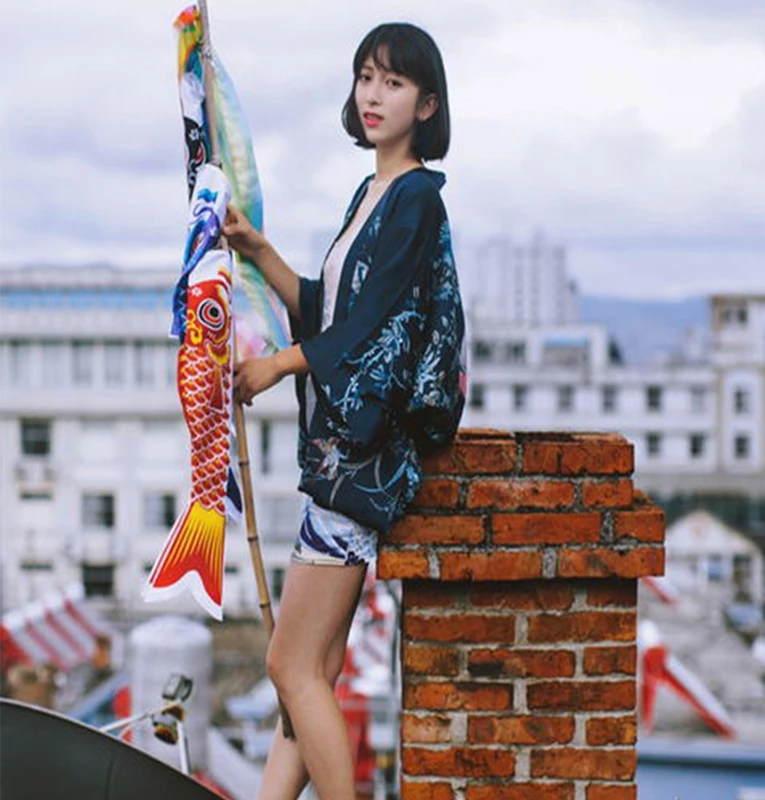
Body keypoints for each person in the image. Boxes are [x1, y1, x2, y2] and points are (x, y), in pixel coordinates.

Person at [223, 21, 465, 800]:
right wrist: (258, 250)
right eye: (366, 76)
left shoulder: (417, 199)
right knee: (313, 673)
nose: (373, 94)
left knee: (289, 666)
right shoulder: (372, 194)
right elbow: (328, 308)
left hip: (359, 463)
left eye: (394, 81)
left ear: (427, 105)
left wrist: (276, 365)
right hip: (344, 457)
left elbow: (370, 325)